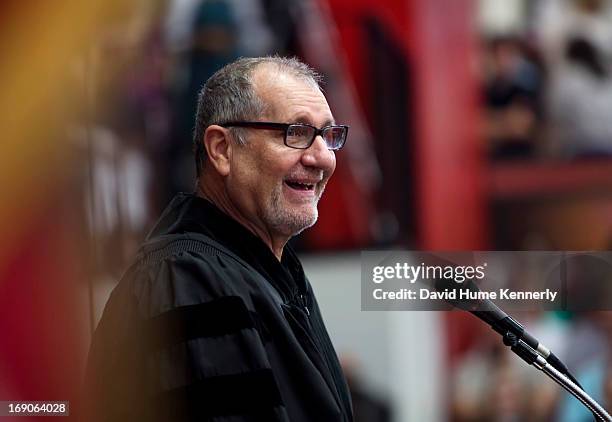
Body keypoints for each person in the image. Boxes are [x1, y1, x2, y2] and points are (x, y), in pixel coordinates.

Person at [85, 56, 353, 422]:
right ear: (222, 149)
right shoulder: (184, 282)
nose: (323, 157)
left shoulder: (271, 271)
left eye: (329, 135)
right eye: (297, 132)